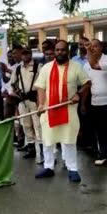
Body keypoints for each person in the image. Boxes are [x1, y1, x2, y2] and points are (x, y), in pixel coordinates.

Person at [35, 40, 91, 182]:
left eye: (63, 50)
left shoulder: (76, 67)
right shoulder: (46, 68)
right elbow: (41, 87)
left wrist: (78, 94)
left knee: (69, 140)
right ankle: (48, 167)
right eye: (58, 50)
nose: (60, 52)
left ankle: (72, 168)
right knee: (48, 140)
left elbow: (87, 83)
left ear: (68, 51)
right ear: (55, 51)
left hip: (69, 110)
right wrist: (41, 104)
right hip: (49, 110)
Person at [10, 48, 43, 163]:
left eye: (27, 54)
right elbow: (12, 83)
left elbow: (42, 84)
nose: (24, 56)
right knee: (26, 124)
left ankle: (43, 150)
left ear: (30, 54)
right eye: (23, 54)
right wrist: (13, 93)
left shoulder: (38, 67)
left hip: (35, 99)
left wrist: (41, 100)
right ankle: (31, 148)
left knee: (38, 125)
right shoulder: (18, 69)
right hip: (22, 100)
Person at [84, 39, 107, 166]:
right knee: (99, 130)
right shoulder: (86, 64)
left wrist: (87, 49)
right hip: (95, 102)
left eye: (95, 46)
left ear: (101, 47)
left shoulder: (106, 60)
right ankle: (103, 153)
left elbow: (94, 66)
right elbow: (87, 83)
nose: (92, 48)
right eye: (90, 47)